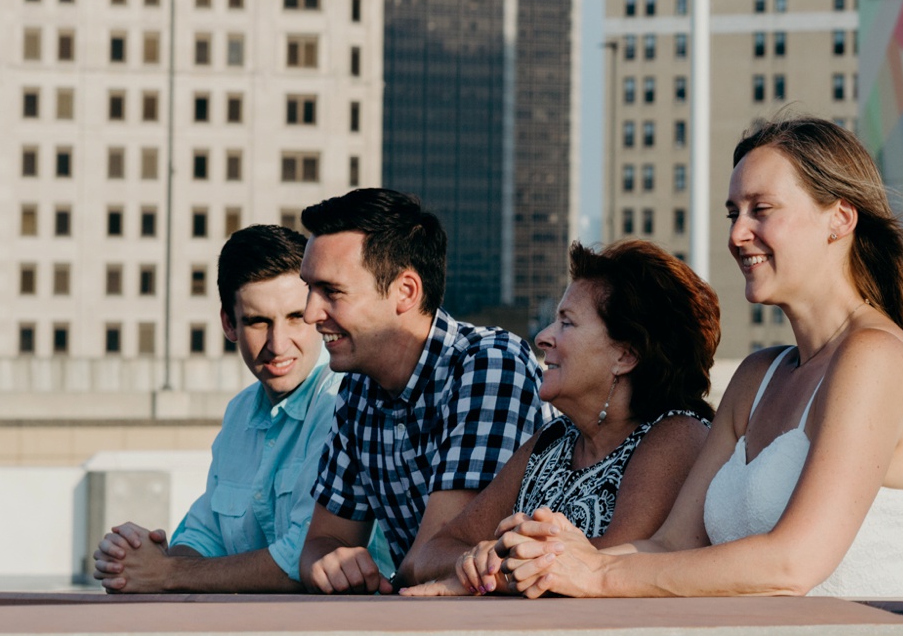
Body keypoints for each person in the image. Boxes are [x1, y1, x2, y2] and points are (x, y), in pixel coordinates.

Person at [498, 117, 903, 599]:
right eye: (734, 213)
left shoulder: (875, 358)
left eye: (762, 210)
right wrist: (536, 561)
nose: (738, 234)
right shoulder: (758, 374)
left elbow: (794, 564)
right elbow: (672, 545)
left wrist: (598, 575)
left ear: (840, 218)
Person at [400, 240, 718, 595]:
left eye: (566, 324)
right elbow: (430, 553)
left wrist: (495, 568)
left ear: (625, 355)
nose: (542, 337)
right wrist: (479, 559)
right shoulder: (554, 440)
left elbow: (613, 565)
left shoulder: (677, 434)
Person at [89, 224, 390, 592]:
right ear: (229, 324)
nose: (278, 345)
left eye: (295, 317)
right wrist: (136, 560)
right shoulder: (240, 413)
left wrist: (167, 574)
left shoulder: (344, 400)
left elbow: (304, 559)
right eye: (258, 322)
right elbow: (204, 537)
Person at [294, 187, 548, 594]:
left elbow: (440, 553)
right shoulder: (358, 387)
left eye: (331, 292)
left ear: (406, 292)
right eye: (309, 288)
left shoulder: (490, 365)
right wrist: (329, 562)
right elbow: (319, 545)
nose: (309, 313)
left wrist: (385, 576)